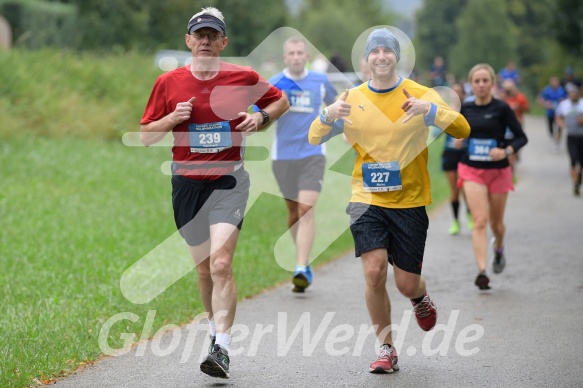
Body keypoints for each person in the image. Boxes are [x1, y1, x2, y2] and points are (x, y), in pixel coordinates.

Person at [308, 28, 470, 374]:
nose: (381, 56)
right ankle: (386, 348)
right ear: (366, 59)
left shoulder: (419, 93)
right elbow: (313, 136)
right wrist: (328, 114)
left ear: (398, 57)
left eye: (388, 51)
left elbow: (462, 129)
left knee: (405, 283)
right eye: (374, 52)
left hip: (409, 201)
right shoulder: (352, 97)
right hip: (365, 199)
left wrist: (430, 111)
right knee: (374, 270)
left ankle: (419, 297)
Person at [139, 6, 289, 379]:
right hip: (187, 184)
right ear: (188, 41)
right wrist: (173, 118)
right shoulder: (168, 83)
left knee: (222, 263)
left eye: (212, 36)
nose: (205, 41)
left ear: (223, 42)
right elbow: (145, 137)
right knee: (204, 270)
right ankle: (212, 331)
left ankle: (223, 347)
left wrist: (261, 117)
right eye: (199, 35)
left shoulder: (243, 76)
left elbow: (281, 100)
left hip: (229, 182)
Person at [264, 36, 338, 292]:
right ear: (286, 58)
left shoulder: (320, 81)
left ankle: (300, 266)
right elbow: (260, 116)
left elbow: (337, 106)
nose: (296, 57)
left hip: (313, 153)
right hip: (282, 157)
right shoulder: (275, 83)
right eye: (291, 53)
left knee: (306, 209)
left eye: (300, 53)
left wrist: (340, 126)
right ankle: (302, 261)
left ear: (306, 56)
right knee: (294, 213)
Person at [457, 64, 528, 290]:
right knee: (479, 221)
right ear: (471, 84)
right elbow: (456, 133)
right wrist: (458, 139)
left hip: (498, 171)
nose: (480, 85)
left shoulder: (502, 108)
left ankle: (499, 249)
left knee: (496, 225)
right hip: (472, 170)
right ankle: (482, 271)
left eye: (485, 80)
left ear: (492, 84)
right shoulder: (465, 108)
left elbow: (521, 137)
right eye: (476, 81)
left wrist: (506, 151)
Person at [441, 82, 472, 235]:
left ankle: (469, 216)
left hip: (464, 154)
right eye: (454, 91)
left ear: (463, 93)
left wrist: (463, 140)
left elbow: (473, 129)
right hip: (449, 153)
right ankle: (455, 221)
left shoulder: (468, 109)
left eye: (459, 91)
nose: (457, 93)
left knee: (465, 189)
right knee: (454, 190)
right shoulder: (445, 110)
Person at [555, 83, 583, 196]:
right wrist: (560, 122)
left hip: (582, 136)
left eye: (575, 93)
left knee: (581, 163)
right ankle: (575, 182)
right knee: (573, 160)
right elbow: (558, 116)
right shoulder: (564, 104)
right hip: (571, 136)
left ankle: (579, 179)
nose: (573, 95)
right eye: (571, 93)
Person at [500, 79, 530, 175]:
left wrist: (518, 107)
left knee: (518, 140)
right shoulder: (503, 97)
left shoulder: (520, 97)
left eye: (509, 89)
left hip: (517, 122)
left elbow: (527, 108)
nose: (507, 91)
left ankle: (515, 154)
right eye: (506, 89)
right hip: (504, 125)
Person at [537, 76, 567, 147]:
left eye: (555, 82)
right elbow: (540, 99)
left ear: (558, 83)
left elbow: (567, 99)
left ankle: (558, 141)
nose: (554, 84)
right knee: (550, 127)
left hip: (559, 112)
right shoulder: (547, 90)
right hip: (550, 112)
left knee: (559, 126)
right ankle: (553, 136)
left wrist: (563, 101)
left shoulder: (562, 90)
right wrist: (545, 104)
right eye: (552, 82)